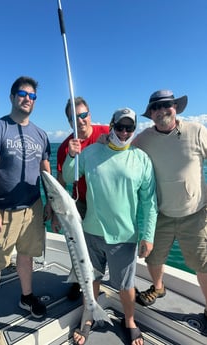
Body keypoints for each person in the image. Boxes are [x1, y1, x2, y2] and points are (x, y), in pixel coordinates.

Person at [62, 108, 158, 345]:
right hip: (91, 231)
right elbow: (67, 177)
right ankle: (88, 317)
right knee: (90, 279)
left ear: (134, 130)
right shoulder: (91, 152)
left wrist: (147, 236)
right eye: (120, 127)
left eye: (129, 128)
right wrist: (71, 157)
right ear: (111, 125)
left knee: (126, 286)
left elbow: (149, 202)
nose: (124, 132)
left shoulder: (141, 158)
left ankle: (130, 321)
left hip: (125, 236)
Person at [0, 76, 52, 345]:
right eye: (22, 94)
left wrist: (50, 202)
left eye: (32, 96)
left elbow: (45, 171)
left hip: (33, 208)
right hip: (3, 210)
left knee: (27, 256)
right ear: (12, 97)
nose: (28, 99)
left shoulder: (41, 134)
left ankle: (26, 297)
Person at [133, 90, 207, 318]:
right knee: (152, 258)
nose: (161, 110)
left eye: (166, 105)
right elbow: (123, 153)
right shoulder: (144, 138)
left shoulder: (197, 131)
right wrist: (105, 140)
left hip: (195, 214)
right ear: (150, 114)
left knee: (202, 264)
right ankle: (158, 287)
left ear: (176, 107)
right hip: (161, 212)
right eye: (155, 107)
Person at [51, 96, 109, 300]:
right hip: (81, 203)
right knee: (79, 244)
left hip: (107, 200)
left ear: (90, 115)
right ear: (69, 122)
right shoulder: (66, 147)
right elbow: (60, 183)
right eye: (75, 118)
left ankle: (114, 280)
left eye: (84, 115)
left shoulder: (107, 132)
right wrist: (56, 213)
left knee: (108, 243)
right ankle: (80, 281)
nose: (81, 120)